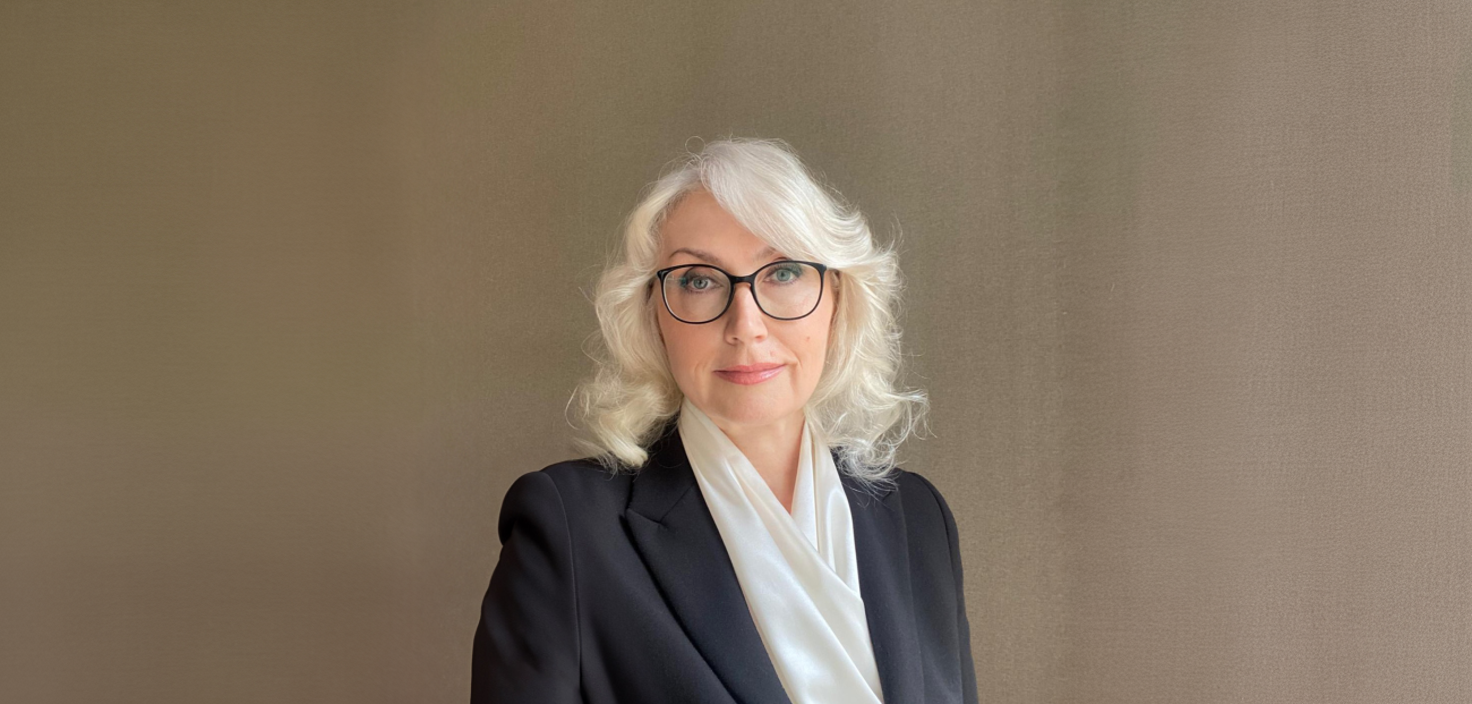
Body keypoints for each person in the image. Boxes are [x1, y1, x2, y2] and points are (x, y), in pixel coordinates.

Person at [469, 138, 977, 704]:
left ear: (836, 296)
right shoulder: (569, 529)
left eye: (783, 272)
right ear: (653, 312)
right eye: (698, 280)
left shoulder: (918, 518)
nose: (746, 326)